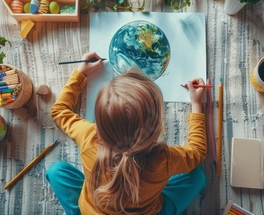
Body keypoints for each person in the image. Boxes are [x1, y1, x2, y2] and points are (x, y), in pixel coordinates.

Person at [47, 52, 208, 215]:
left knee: (55, 171)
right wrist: (196, 104)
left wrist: (80, 73)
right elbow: (198, 151)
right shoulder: (164, 159)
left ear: (100, 124)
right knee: (198, 177)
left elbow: (59, 111)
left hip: (92, 210)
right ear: (156, 127)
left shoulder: (89, 137)